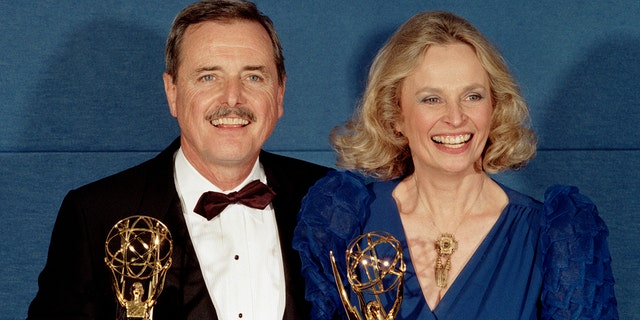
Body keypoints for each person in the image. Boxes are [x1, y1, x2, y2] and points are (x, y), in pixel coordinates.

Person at [293, 11, 618, 320]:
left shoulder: (554, 237)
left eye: (472, 96)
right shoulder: (345, 222)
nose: (455, 117)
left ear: (495, 107)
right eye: (431, 99)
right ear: (395, 117)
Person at [27, 1, 331, 319]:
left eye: (253, 77)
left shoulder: (334, 199)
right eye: (208, 77)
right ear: (172, 93)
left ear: (280, 94)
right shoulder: (95, 217)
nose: (232, 98)